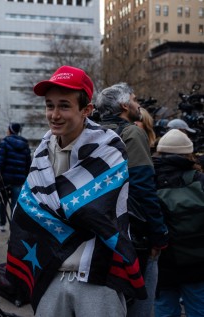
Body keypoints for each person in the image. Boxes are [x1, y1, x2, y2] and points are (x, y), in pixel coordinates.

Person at [7, 65, 146, 316]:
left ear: (86, 110)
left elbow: (95, 212)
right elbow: (27, 211)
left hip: (96, 275)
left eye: (64, 105)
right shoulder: (41, 151)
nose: (54, 114)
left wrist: (52, 210)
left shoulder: (109, 147)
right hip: (50, 272)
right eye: (50, 105)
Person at [95, 82, 169, 316]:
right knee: (141, 298)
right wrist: (158, 233)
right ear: (125, 105)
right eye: (135, 100)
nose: (139, 105)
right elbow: (142, 185)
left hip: (99, 226)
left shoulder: (92, 131)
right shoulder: (131, 132)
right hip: (133, 231)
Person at [152, 129, 204, 317]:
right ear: (188, 153)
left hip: (162, 259)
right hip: (196, 261)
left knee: (164, 308)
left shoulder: (149, 179)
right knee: (199, 307)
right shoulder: (198, 179)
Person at [0, 122, 31, 232]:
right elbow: (28, 164)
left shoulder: (4, 142)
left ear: (10, 130)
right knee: (15, 204)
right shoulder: (25, 144)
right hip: (19, 180)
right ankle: (14, 226)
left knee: (3, 202)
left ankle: (2, 224)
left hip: (5, 179)